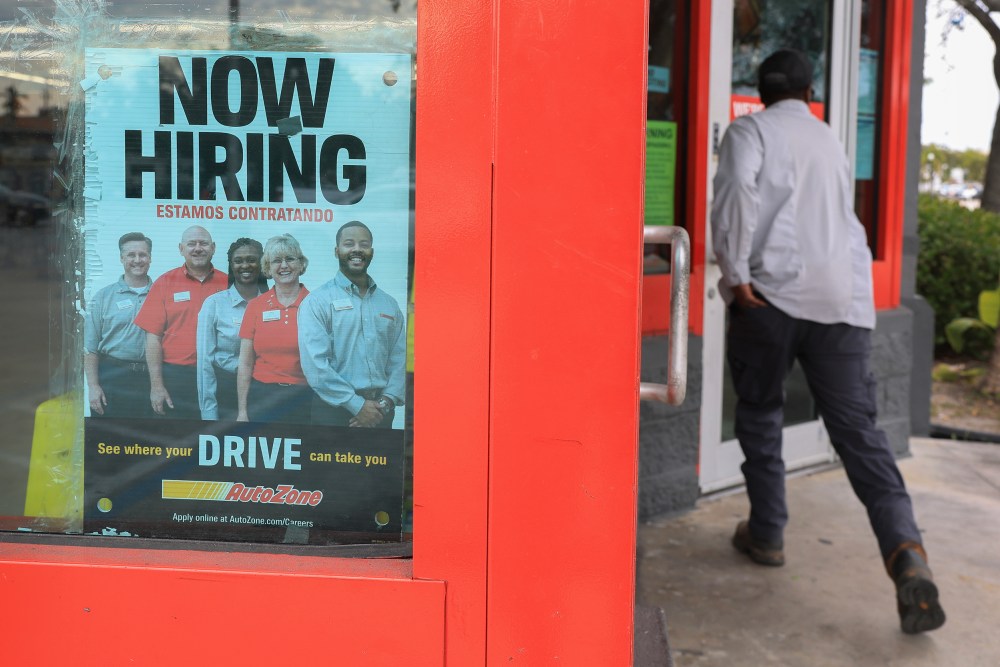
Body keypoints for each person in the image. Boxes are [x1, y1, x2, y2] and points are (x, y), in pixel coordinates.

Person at [711, 49, 945, 634]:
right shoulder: (829, 141)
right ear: (810, 91)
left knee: (762, 414)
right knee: (859, 435)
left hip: (768, 299)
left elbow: (738, 190)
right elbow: (847, 223)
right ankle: (905, 552)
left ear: (760, 90)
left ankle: (766, 532)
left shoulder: (750, 130)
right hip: (841, 303)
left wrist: (736, 276)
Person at [299, 221, 405, 428]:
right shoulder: (317, 302)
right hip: (333, 413)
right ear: (336, 251)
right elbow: (315, 366)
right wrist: (356, 405)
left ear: (371, 252)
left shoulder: (390, 304)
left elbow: (399, 359)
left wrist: (385, 403)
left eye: (363, 244)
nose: (357, 249)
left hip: (380, 414)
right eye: (349, 244)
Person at [134, 225, 227, 419]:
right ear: (181, 249)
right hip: (177, 377)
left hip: (220, 376)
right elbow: (152, 337)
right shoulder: (165, 282)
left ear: (214, 247)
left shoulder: (229, 284)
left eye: (204, 243)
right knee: (177, 440)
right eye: (191, 244)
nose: (198, 248)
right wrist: (157, 386)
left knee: (216, 436)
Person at [236, 234, 311, 423]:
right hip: (262, 397)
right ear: (268, 268)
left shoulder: (316, 304)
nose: (284, 266)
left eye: (290, 259)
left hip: (304, 398)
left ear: (301, 264)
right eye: (276, 261)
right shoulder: (255, 306)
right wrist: (242, 412)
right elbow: (245, 364)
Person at [83, 232, 154, 419]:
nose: (137, 260)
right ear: (122, 258)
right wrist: (93, 387)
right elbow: (89, 348)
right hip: (113, 378)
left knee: (151, 441)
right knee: (110, 440)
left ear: (150, 258)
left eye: (143, 255)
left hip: (153, 379)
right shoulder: (103, 297)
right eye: (131, 255)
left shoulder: (163, 295)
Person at [196, 238, 268, 420]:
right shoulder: (214, 304)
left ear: (261, 262)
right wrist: (209, 411)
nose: (245, 265)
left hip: (264, 391)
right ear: (231, 265)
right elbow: (204, 363)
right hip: (225, 390)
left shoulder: (272, 304)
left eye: (252, 259)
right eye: (238, 261)